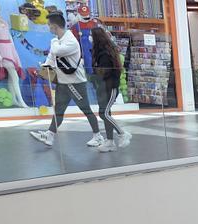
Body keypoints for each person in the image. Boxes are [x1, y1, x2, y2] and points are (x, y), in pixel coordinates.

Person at [29, 13, 101, 148]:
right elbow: (50, 60)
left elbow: (56, 51)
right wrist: (42, 72)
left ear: (55, 26)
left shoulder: (71, 42)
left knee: (86, 109)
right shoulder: (57, 40)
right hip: (63, 82)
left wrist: (53, 42)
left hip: (76, 83)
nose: (48, 27)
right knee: (59, 111)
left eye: (49, 25)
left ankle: (98, 136)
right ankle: (49, 136)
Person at [90, 26, 129, 152]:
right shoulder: (100, 52)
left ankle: (122, 133)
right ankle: (110, 141)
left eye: (91, 36)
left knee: (104, 113)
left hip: (110, 87)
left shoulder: (106, 54)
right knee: (106, 113)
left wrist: (92, 76)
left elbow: (104, 72)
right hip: (103, 87)